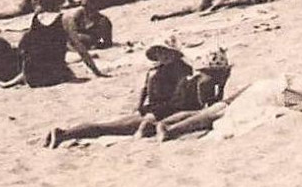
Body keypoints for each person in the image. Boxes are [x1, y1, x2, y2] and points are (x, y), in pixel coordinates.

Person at [155, 54, 302, 142]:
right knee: (216, 114)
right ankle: (171, 130)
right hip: (266, 91)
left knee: (215, 110)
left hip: (261, 87)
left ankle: (166, 125)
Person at [45, 38, 210, 147]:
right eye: (159, 53)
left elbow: (179, 99)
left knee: (108, 128)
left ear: (173, 53)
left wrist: (152, 112)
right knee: (108, 127)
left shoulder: (181, 70)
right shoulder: (159, 70)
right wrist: (141, 108)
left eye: (164, 52)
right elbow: (145, 91)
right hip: (154, 111)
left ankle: (64, 134)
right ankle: (64, 134)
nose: (162, 56)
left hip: (160, 112)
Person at [18, 0, 107, 87]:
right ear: (61, 1)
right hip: (52, 75)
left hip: (32, 77)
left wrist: (26, 74)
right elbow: (80, 49)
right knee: (69, 73)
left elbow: (26, 48)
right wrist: (96, 72)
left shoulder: (36, 17)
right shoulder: (64, 19)